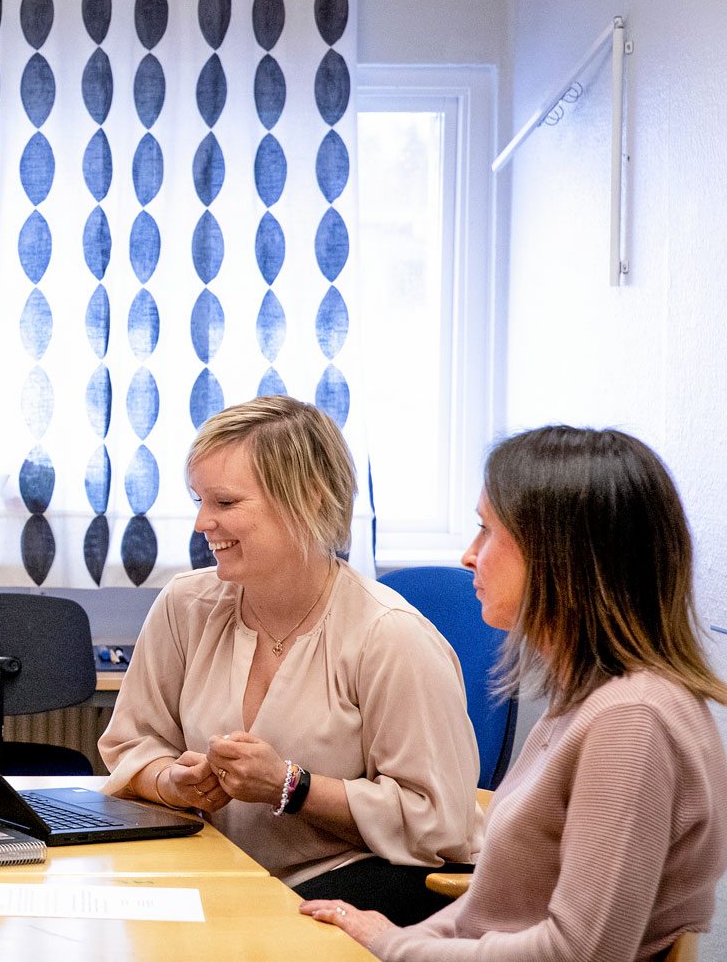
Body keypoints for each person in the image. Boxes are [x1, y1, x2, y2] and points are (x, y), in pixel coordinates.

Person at [303, 426, 727, 959]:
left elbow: (580, 953)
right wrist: (399, 939)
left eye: (486, 531)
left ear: (562, 554)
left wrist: (399, 951)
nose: (467, 555)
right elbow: (497, 900)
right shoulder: (589, 699)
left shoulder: (632, 721)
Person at [99, 396, 481, 924]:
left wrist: (292, 786)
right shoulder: (184, 605)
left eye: (226, 503)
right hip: (216, 873)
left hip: (348, 889)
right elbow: (132, 743)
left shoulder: (390, 637)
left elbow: (439, 825)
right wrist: (170, 781)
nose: (202, 523)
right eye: (199, 500)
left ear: (308, 500)